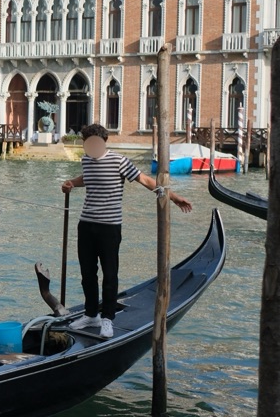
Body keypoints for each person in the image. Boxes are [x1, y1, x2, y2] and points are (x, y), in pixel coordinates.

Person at [61, 123, 192, 339]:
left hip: (110, 227)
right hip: (86, 224)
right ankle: (91, 314)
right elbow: (87, 178)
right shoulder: (86, 160)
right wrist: (71, 183)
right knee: (87, 274)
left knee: (109, 274)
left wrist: (174, 197)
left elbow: (144, 179)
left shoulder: (119, 160)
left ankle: (107, 319)